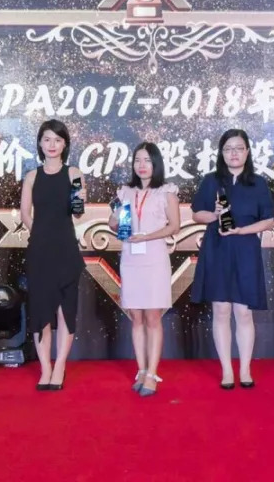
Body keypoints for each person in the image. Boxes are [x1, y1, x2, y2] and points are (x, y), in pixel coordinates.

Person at [192, 129, 274, 389]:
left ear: (247, 152)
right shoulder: (211, 181)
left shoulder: (258, 183)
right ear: (221, 153)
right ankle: (227, 370)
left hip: (246, 249)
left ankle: (245, 369)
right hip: (217, 249)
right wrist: (214, 214)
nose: (234, 153)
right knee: (221, 310)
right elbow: (197, 214)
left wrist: (242, 230)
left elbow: (269, 220)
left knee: (243, 311)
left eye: (239, 148)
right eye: (228, 149)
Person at [109, 142, 181, 396]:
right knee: (136, 317)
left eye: (147, 160)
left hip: (154, 258)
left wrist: (147, 236)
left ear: (156, 164)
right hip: (131, 258)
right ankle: (140, 369)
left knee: (152, 317)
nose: (142, 165)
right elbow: (114, 225)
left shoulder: (166, 192)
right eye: (138, 160)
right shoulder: (125, 192)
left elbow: (174, 226)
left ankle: (152, 373)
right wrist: (116, 221)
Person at [20, 119, 86, 391]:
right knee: (41, 310)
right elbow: (25, 214)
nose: (52, 144)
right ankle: (45, 368)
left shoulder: (74, 173)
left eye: (57, 140)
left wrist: (80, 198)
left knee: (64, 309)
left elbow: (78, 213)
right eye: (47, 139)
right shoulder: (31, 176)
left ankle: (59, 366)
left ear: (65, 144)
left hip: (66, 249)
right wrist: (40, 233)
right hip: (39, 250)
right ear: (39, 142)